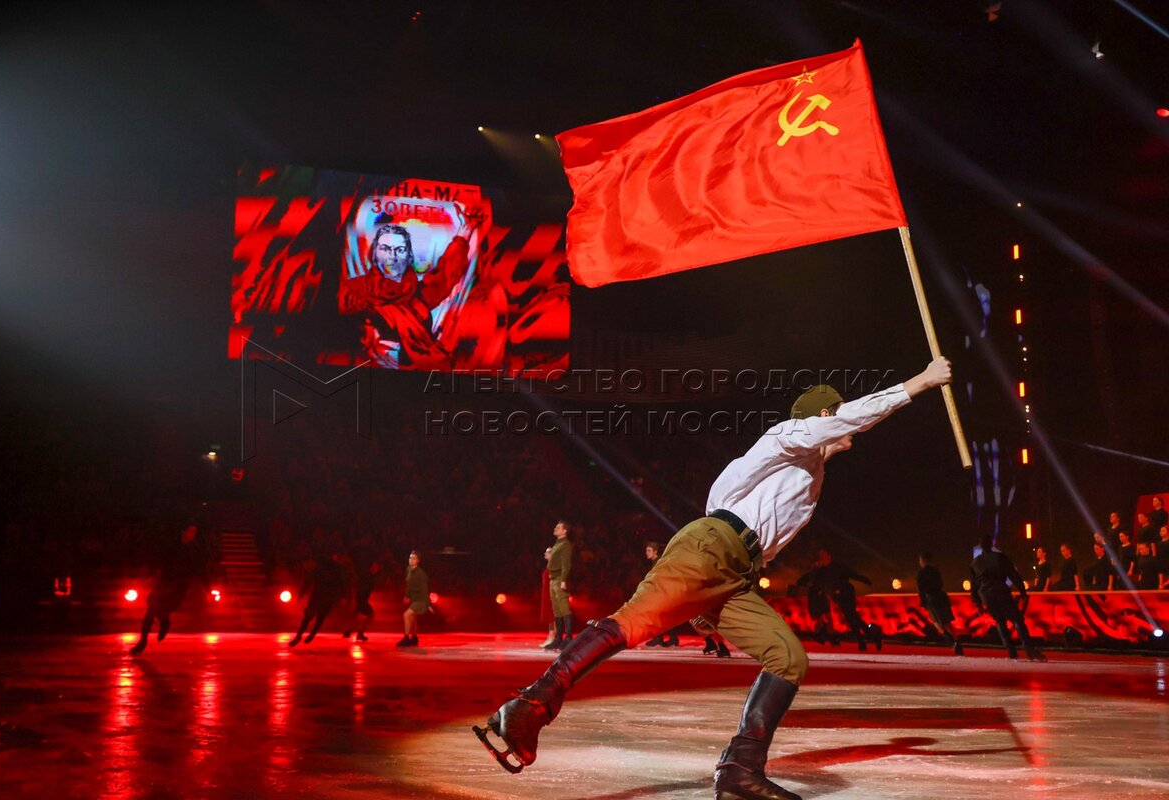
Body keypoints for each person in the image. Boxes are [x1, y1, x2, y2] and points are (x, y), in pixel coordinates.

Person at [473, 358, 952, 800]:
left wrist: (709, 601)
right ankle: (529, 706)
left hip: (735, 570)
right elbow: (850, 419)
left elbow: (756, 528)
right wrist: (921, 382)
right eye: (839, 414)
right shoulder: (788, 437)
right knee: (631, 624)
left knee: (787, 658)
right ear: (825, 416)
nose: (851, 426)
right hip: (712, 547)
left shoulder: (806, 475)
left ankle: (740, 769)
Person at [339, 207, 484, 370]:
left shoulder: (417, 296)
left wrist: (466, 230)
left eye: (399, 250)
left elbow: (446, 272)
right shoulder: (354, 291)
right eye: (385, 248)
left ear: (408, 257)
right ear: (374, 255)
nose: (392, 256)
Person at [130, 522, 206, 657]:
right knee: (151, 610)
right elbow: (161, 559)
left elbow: (197, 568)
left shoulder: (195, 550)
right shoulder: (172, 545)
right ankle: (143, 641)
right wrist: (155, 571)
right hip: (164, 582)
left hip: (179, 586)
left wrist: (204, 584)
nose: (193, 534)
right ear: (183, 531)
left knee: (162, 609)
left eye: (194, 532)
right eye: (190, 531)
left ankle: (164, 622)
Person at [970, 534, 1046, 662]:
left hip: (987, 596)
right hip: (1001, 592)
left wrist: (978, 604)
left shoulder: (975, 563)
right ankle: (1029, 650)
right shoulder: (1000, 557)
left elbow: (974, 587)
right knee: (1017, 620)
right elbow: (1013, 574)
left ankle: (1011, 651)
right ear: (991, 544)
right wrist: (1022, 592)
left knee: (1000, 621)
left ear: (981, 546)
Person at [816, 550, 880, 651]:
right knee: (853, 618)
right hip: (840, 597)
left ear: (829, 556)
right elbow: (821, 582)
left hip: (847, 594)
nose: (822, 558)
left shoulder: (838, 567)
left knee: (852, 617)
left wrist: (865, 580)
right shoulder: (824, 570)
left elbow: (852, 574)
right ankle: (869, 637)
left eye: (823, 556)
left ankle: (865, 639)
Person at [290, 551, 353, 647]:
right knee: (320, 618)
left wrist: (303, 592)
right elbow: (342, 583)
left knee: (308, 617)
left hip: (318, 594)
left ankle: (299, 635)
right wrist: (343, 596)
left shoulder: (321, 566)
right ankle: (311, 634)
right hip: (328, 596)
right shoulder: (338, 568)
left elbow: (310, 579)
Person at [917, 552, 962, 655]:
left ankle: (950, 640)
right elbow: (941, 583)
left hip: (932, 599)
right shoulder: (936, 571)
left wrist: (923, 601)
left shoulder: (922, 573)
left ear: (922, 561)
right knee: (947, 622)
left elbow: (921, 588)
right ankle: (956, 640)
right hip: (942, 597)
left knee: (937, 621)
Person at [544, 520, 574, 651]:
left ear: (564, 531)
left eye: (558, 527)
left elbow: (566, 564)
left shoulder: (565, 544)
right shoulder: (558, 543)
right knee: (556, 609)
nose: (555, 528)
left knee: (564, 608)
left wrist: (563, 580)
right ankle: (558, 638)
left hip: (559, 579)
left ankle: (568, 638)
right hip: (553, 579)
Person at [644, 541, 679, 647]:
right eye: (647, 550)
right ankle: (670, 638)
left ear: (655, 552)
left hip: (663, 592)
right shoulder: (656, 561)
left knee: (660, 616)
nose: (647, 553)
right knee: (663, 617)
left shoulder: (658, 561)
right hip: (662, 591)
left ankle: (661, 638)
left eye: (649, 550)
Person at [344, 551, 380, 642]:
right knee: (369, 615)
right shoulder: (368, 576)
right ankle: (357, 632)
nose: (377, 568)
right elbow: (362, 587)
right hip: (362, 599)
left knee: (358, 616)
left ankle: (350, 631)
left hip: (361, 599)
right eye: (375, 566)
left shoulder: (369, 576)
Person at [398, 550, 430, 647]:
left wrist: (427, 604)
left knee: (406, 615)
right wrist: (406, 596)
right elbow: (409, 585)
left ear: (418, 561)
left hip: (421, 600)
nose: (411, 560)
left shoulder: (421, 574)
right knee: (413, 618)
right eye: (410, 558)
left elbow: (425, 590)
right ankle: (414, 638)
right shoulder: (408, 569)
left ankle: (406, 638)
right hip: (414, 599)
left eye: (414, 558)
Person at [539, 546, 555, 648]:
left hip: (551, 593)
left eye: (547, 552)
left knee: (553, 617)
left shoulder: (554, 566)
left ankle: (553, 637)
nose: (545, 554)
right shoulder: (549, 565)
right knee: (549, 617)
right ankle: (550, 636)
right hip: (546, 593)